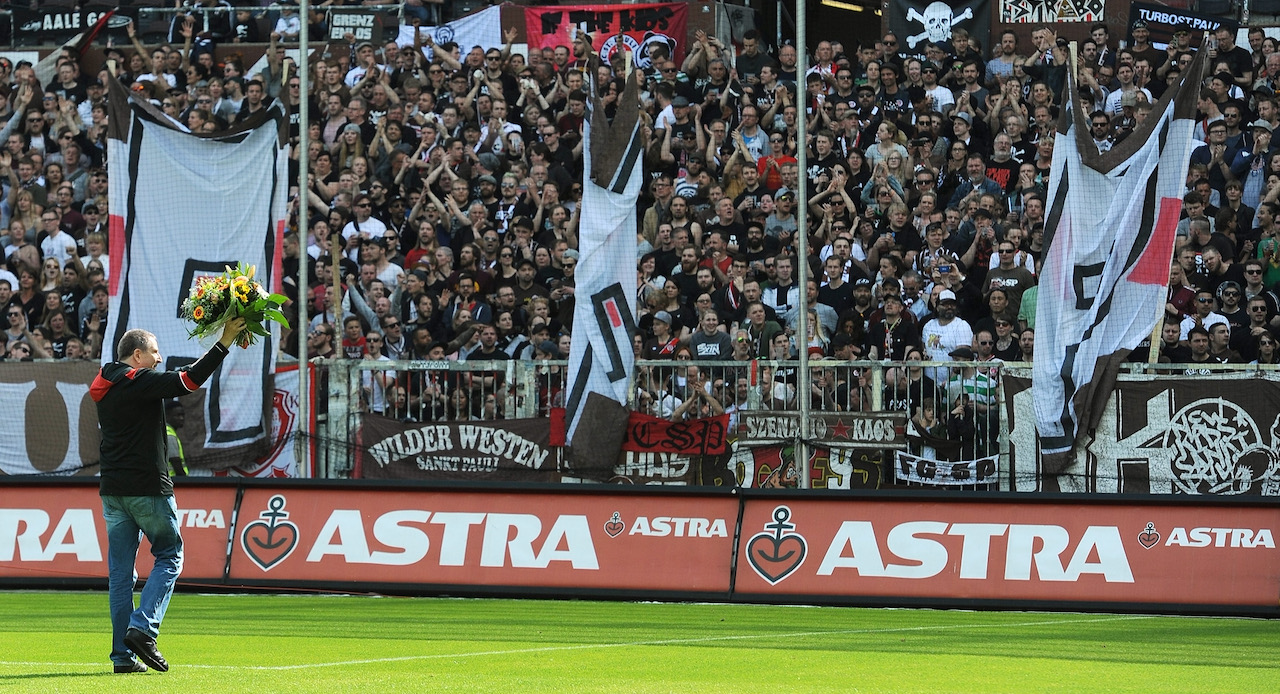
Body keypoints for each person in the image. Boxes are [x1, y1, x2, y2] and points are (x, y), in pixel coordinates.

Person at [91, 317, 245, 674]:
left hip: (113, 492)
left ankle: (123, 658)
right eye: (156, 352)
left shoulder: (106, 384)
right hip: (148, 488)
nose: (160, 359)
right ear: (138, 354)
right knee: (170, 556)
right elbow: (189, 380)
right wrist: (225, 341)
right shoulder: (137, 382)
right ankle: (143, 629)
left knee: (120, 577)